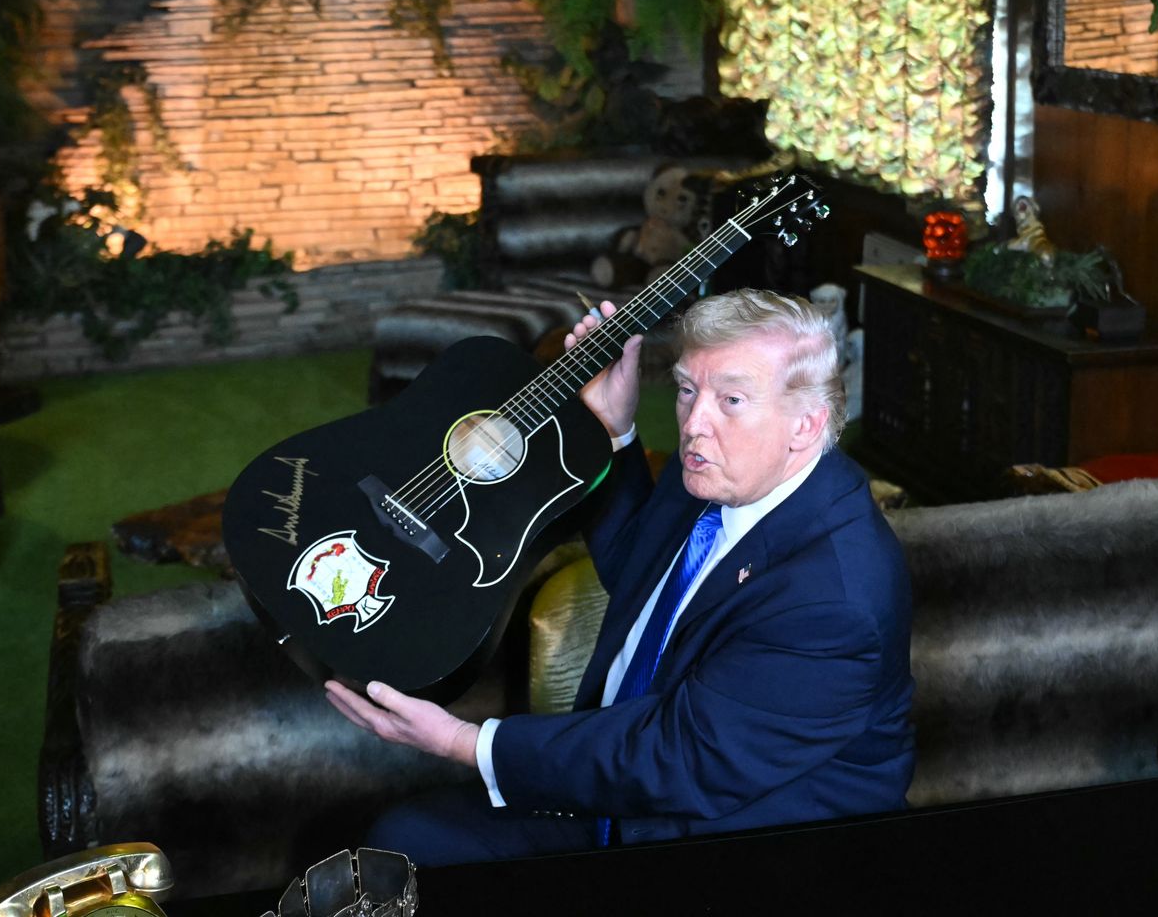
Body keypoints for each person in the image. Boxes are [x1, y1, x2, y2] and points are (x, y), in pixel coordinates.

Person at [324, 288, 915, 864]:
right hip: (625, 791)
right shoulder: (729, 476)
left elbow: (678, 762)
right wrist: (613, 427)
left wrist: (464, 742)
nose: (693, 425)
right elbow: (641, 565)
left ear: (806, 425)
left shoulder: (833, 600)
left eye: (731, 400)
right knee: (405, 839)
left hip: (728, 842)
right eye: (687, 390)